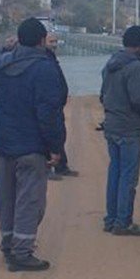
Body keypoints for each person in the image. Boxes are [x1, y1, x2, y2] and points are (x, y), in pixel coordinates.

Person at [0, 18, 67, 272]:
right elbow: (49, 113)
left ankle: (8, 243)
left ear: (18, 40)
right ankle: (22, 253)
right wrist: (56, 147)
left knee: (6, 196)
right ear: (43, 41)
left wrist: (4, 50)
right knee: (29, 200)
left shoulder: (3, 63)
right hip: (31, 146)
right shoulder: (45, 68)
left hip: (4, 144)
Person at [101, 25, 140, 236]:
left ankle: (111, 218)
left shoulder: (110, 64)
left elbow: (102, 94)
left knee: (114, 172)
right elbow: (138, 100)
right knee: (128, 176)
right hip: (129, 128)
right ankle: (123, 222)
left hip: (112, 125)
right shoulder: (135, 68)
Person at [44, 33, 78, 179]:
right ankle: (48, 168)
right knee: (51, 135)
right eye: (51, 41)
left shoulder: (51, 58)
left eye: (56, 41)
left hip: (56, 105)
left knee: (60, 135)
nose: (54, 44)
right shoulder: (44, 60)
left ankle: (61, 167)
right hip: (49, 105)